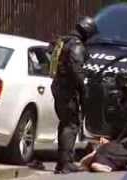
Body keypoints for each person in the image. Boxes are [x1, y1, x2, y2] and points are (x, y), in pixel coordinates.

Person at [51, 16, 98, 174]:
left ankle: (62, 162)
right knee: (71, 125)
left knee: (65, 123)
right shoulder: (76, 45)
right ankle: (65, 164)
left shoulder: (64, 41)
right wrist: (84, 89)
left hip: (59, 86)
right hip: (67, 89)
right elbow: (76, 70)